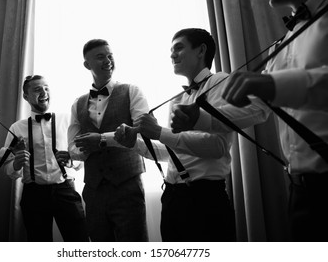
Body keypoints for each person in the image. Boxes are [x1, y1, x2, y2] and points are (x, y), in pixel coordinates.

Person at [115, 28, 270, 242]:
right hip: (171, 198)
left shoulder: (221, 81)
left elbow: (217, 147)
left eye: (178, 47)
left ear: (201, 50)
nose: (172, 54)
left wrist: (160, 132)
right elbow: (172, 154)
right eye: (171, 50)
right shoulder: (176, 100)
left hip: (205, 200)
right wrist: (136, 144)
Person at [220, 0, 328, 242]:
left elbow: (273, 88)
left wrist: (272, 84)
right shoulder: (283, 43)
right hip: (300, 191)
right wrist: (200, 117)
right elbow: (259, 107)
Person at [68, 39, 149, 242]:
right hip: (93, 190)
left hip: (128, 186)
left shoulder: (132, 91)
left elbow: (143, 132)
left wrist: (102, 140)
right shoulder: (77, 104)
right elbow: (72, 147)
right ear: (87, 65)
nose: (108, 60)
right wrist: (84, 149)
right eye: (100, 56)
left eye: (110, 55)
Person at [3, 75, 88, 242]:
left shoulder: (67, 120)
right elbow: (9, 170)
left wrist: (72, 160)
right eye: (37, 89)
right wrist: (16, 164)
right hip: (33, 194)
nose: (44, 92)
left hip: (65, 190)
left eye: (46, 88)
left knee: (79, 240)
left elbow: (81, 156)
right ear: (26, 97)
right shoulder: (16, 128)